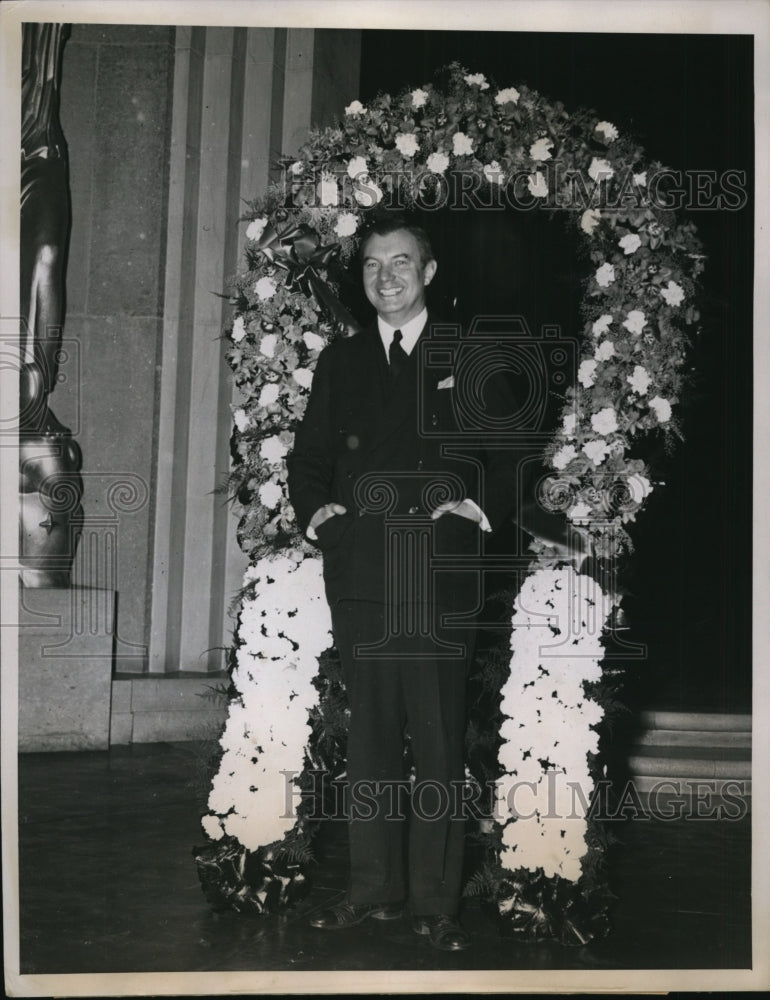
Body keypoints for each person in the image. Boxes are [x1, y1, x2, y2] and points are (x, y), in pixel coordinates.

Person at [287, 216, 523, 952]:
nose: (385, 277)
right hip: (361, 572)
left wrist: (470, 509)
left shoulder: (473, 355)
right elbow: (310, 458)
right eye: (371, 266)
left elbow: (506, 455)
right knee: (372, 745)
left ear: (429, 272)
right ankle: (373, 891)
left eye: (400, 263)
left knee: (439, 742)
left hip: (436, 571)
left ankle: (434, 903)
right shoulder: (342, 361)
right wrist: (317, 514)